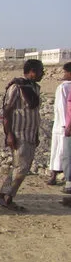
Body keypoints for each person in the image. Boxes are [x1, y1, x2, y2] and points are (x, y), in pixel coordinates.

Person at [0, 59, 44, 211]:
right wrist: (9, 134)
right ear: (32, 71)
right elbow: (7, 111)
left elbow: (34, 113)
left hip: (30, 134)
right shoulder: (16, 87)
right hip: (18, 134)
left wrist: (36, 135)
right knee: (21, 168)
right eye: (41, 71)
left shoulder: (35, 88)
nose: (43, 74)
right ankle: (8, 199)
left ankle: (3, 194)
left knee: (19, 166)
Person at [48, 62, 71, 186]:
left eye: (65, 72)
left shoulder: (63, 87)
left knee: (59, 151)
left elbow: (62, 107)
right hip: (65, 124)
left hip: (62, 126)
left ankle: (54, 176)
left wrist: (64, 125)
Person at [56, 63, 71, 192]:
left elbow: (66, 109)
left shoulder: (64, 87)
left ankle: (69, 184)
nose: (64, 75)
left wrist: (67, 126)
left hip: (68, 127)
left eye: (66, 72)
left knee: (67, 155)